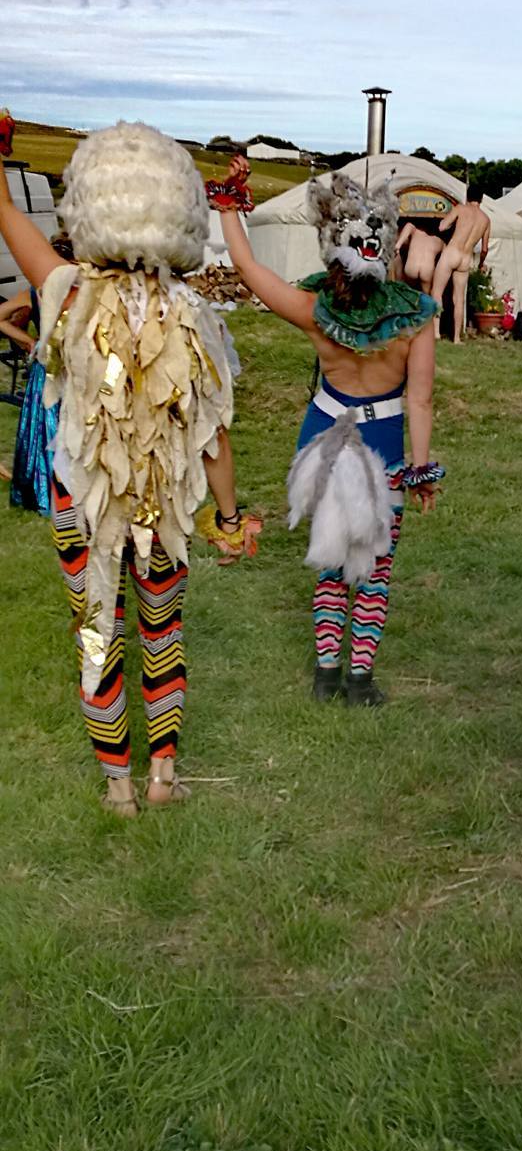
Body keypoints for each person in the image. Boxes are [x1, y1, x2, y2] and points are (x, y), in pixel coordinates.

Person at [0, 118, 236, 816]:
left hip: (83, 503)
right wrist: (228, 517)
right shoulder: (196, 314)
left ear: (90, 202)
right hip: (163, 505)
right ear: (177, 207)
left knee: (97, 632)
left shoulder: (65, 292)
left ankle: (118, 787)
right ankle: (163, 776)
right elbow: (214, 438)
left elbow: (6, 213)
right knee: (163, 632)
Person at [218, 157, 442, 704]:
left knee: (331, 559)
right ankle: (360, 680)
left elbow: (247, 267)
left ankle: (325, 676)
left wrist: (227, 203)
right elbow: (420, 399)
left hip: (322, 442)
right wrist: (420, 469)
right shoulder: (415, 318)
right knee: (375, 569)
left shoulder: (313, 310)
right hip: (384, 449)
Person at [0, 235, 74, 512]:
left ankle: (45, 489)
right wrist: (29, 341)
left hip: (48, 366)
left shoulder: (35, 291)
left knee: (43, 427)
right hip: (65, 366)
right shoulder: (76, 290)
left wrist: (31, 341)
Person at [433, 193, 490, 343]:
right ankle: (457, 338)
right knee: (459, 299)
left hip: (452, 252)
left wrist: (451, 224)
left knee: (437, 292)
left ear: (467, 196)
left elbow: (442, 226)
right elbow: (485, 249)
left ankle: (436, 332)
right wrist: (481, 263)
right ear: (481, 199)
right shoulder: (486, 219)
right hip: (466, 258)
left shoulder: (460, 208)